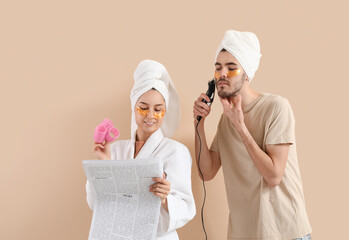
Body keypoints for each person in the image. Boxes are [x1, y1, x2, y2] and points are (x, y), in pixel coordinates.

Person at [193, 30, 312, 240]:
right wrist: (199, 126)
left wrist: (241, 127)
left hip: (284, 233)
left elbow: (274, 176)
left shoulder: (276, 108)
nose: (222, 74)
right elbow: (206, 172)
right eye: (218, 67)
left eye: (231, 68)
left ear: (246, 73)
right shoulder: (225, 121)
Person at [86, 59, 196, 240]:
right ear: (134, 109)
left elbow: (186, 207)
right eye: (143, 108)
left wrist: (164, 199)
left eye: (158, 109)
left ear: (165, 111)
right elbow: (96, 203)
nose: (151, 116)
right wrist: (104, 163)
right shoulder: (116, 149)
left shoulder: (176, 152)